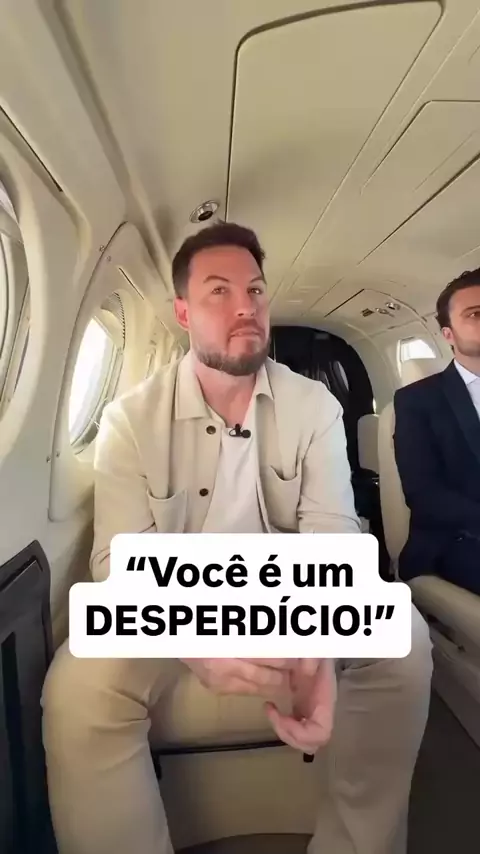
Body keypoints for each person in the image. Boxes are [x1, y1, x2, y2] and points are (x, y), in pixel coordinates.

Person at [42, 222, 432, 854]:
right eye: (218, 291)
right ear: (183, 313)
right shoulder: (129, 420)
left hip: (290, 597)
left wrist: (317, 644)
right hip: (175, 605)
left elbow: (335, 540)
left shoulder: (315, 406)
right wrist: (193, 637)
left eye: (254, 290)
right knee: (76, 685)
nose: (244, 306)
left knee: (404, 636)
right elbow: (117, 565)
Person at [394, 269, 480, 595]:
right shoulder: (417, 400)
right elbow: (424, 495)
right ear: (448, 334)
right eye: (475, 314)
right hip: (457, 540)